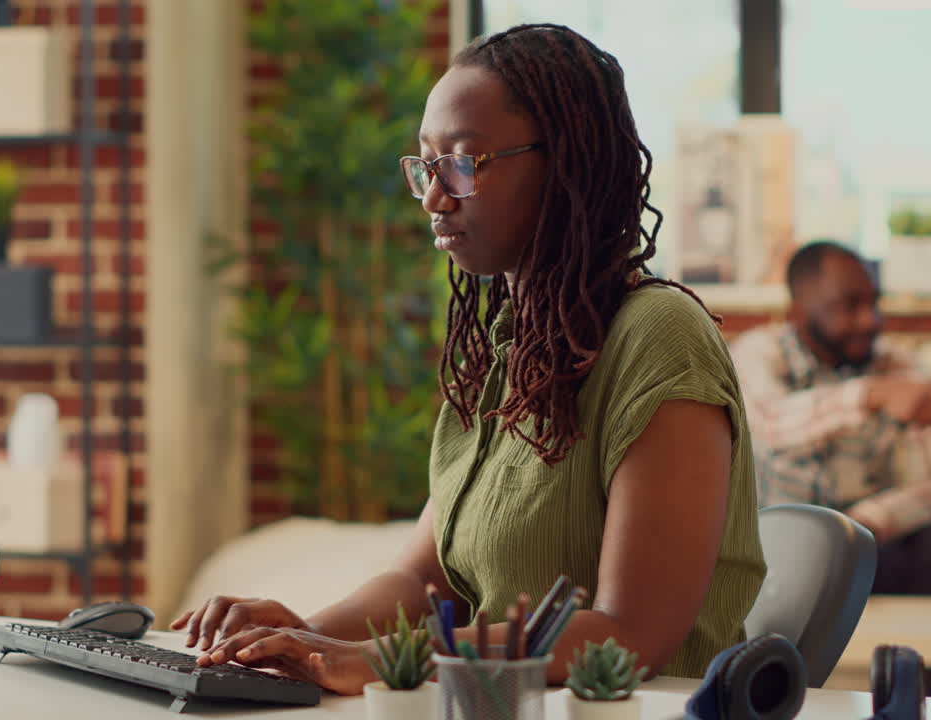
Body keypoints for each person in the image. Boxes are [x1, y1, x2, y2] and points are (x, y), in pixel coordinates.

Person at [170, 24, 765, 695]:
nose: (433, 196)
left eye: (463, 161)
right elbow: (424, 580)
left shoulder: (660, 336)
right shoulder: (507, 348)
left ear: (565, 163)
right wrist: (301, 641)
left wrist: (376, 659)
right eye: (426, 164)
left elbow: (629, 633)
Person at [729, 241, 931, 695]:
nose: (870, 320)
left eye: (873, 304)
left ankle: (919, 701)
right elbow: (771, 424)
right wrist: (872, 395)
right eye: (850, 306)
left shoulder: (899, 367)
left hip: (869, 547)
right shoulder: (758, 354)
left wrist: (869, 519)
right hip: (774, 552)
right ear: (798, 312)